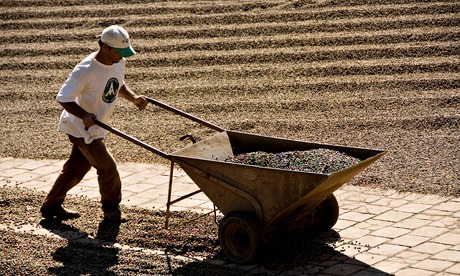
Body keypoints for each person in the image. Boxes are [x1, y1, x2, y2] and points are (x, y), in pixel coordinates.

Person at [40, 25, 148, 222]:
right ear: (105, 47)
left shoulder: (118, 61)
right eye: (119, 52)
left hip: (95, 124)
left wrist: (133, 98)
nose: (122, 57)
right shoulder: (85, 70)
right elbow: (63, 98)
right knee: (107, 167)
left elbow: (117, 83)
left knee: (76, 168)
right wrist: (84, 115)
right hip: (81, 128)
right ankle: (111, 209)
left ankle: (51, 206)